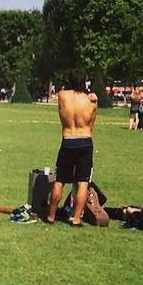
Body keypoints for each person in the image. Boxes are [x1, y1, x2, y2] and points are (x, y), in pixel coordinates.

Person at [44, 68, 98, 228]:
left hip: (68, 139)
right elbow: (92, 124)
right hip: (85, 140)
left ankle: (51, 216)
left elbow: (62, 100)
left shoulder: (62, 96)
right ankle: (76, 219)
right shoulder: (91, 101)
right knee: (82, 182)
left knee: (60, 180)